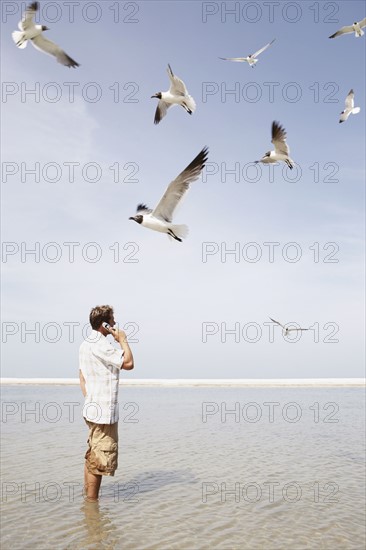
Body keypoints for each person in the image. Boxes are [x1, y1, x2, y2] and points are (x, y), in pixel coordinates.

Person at [79, 305, 134, 502]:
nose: (114, 324)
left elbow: (81, 377)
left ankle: (89, 501)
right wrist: (123, 339)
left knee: (93, 455)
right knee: (100, 460)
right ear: (103, 324)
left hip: (91, 407)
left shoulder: (85, 344)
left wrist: (90, 398)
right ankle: (93, 506)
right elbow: (128, 363)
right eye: (112, 321)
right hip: (103, 412)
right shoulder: (101, 345)